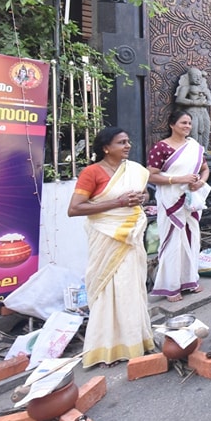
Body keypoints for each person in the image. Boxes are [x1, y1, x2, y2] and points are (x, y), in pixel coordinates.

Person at [67, 128, 154, 368]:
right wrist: (117, 202)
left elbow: (144, 193)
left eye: (128, 141)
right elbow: (74, 208)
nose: (128, 146)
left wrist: (141, 199)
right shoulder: (91, 173)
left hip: (130, 238)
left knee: (131, 288)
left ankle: (136, 340)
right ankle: (105, 346)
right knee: (108, 289)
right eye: (121, 142)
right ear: (106, 147)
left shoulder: (134, 170)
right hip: (107, 237)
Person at [147, 110, 211, 303]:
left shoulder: (195, 147)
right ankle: (170, 286)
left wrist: (200, 182)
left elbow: (205, 169)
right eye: (183, 123)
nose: (187, 126)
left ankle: (190, 280)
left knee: (192, 240)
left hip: (190, 201)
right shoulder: (161, 148)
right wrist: (178, 179)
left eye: (189, 123)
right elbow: (151, 175)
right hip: (170, 201)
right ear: (172, 125)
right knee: (172, 243)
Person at [174, 67, 211, 149]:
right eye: (195, 76)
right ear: (189, 77)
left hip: (203, 112)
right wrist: (194, 102)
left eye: (199, 76)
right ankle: (192, 150)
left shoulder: (204, 88)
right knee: (193, 131)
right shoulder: (186, 88)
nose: (198, 78)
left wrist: (206, 103)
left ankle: (204, 150)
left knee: (206, 131)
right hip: (192, 112)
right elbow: (179, 99)